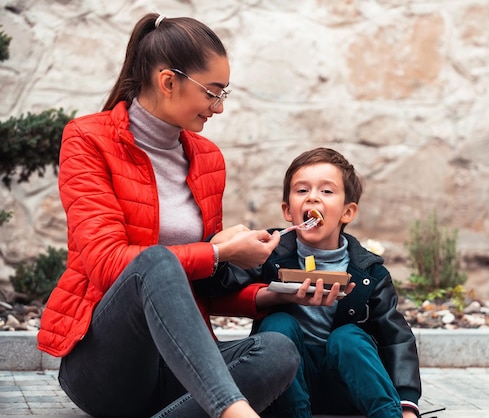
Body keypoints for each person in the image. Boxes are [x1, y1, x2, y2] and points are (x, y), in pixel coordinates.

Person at [36, 13, 303, 418]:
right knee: (154, 262)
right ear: (168, 81)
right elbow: (106, 264)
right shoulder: (87, 139)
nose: (219, 108)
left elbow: (201, 286)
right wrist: (217, 253)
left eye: (224, 93)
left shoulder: (207, 157)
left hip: (179, 367)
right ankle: (234, 412)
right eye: (213, 93)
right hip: (104, 367)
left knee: (279, 351)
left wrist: (268, 294)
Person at [218, 147, 422, 418]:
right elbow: (221, 283)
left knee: (347, 336)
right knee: (279, 323)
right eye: (302, 191)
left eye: (326, 191)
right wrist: (222, 249)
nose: (313, 197)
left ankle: (389, 414)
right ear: (288, 211)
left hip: (348, 386)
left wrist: (407, 404)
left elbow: (395, 338)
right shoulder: (269, 254)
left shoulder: (368, 272)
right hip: (286, 386)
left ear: (347, 212)